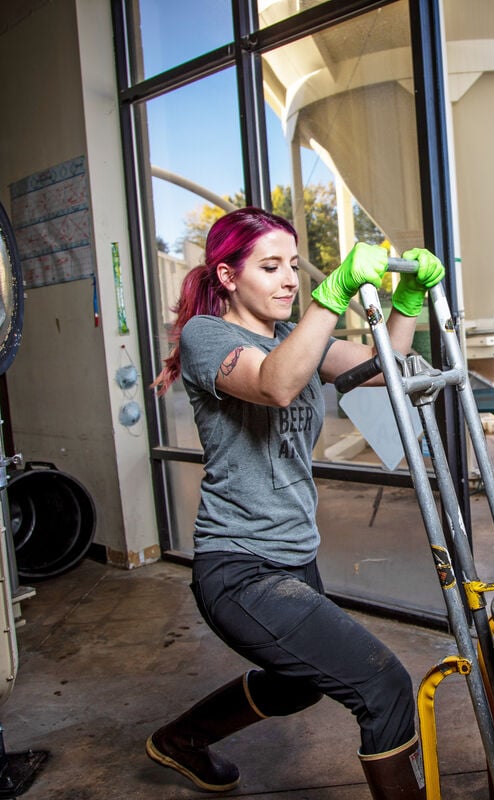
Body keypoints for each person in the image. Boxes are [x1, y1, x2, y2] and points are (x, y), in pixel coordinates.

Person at [147, 206, 444, 799]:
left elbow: (378, 371)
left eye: (293, 266)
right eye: (270, 266)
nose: (289, 279)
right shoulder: (210, 337)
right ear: (228, 277)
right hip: (238, 567)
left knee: (295, 684)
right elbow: (276, 384)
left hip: (295, 558)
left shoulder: (291, 335)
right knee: (381, 685)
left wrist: (406, 302)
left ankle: (181, 741)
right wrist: (332, 295)